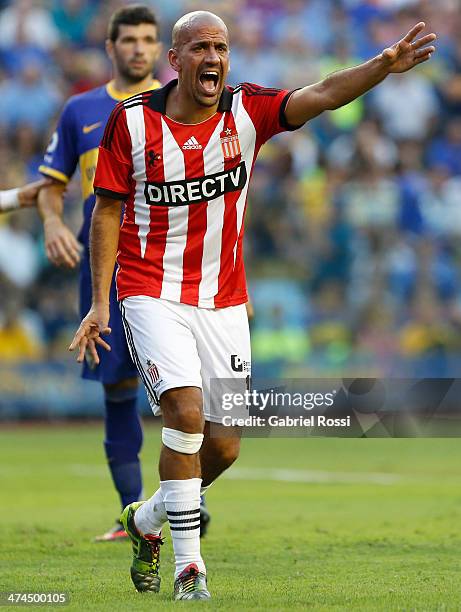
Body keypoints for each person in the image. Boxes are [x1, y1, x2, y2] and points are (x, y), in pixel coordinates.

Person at [70, 11, 436, 600]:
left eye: (221, 47)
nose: (212, 57)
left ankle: (145, 521)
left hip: (224, 302)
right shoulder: (132, 124)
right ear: (176, 59)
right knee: (185, 416)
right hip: (150, 292)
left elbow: (320, 95)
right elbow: (106, 210)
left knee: (224, 445)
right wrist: (98, 303)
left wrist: (383, 67)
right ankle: (191, 573)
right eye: (199, 48)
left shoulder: (247, 111)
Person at [37, 5, 163, 542]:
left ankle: (182, 504)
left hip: (168, 258)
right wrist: (50, 222)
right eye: (129, 39)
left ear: (162, 49)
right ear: (110, 48)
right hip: (105, 264)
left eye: (148, 39)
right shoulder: (81, 110)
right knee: (117, 387)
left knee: (192, 391)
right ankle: (134, 513)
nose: (138, 48)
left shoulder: (180, 103)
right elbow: (51, 183)